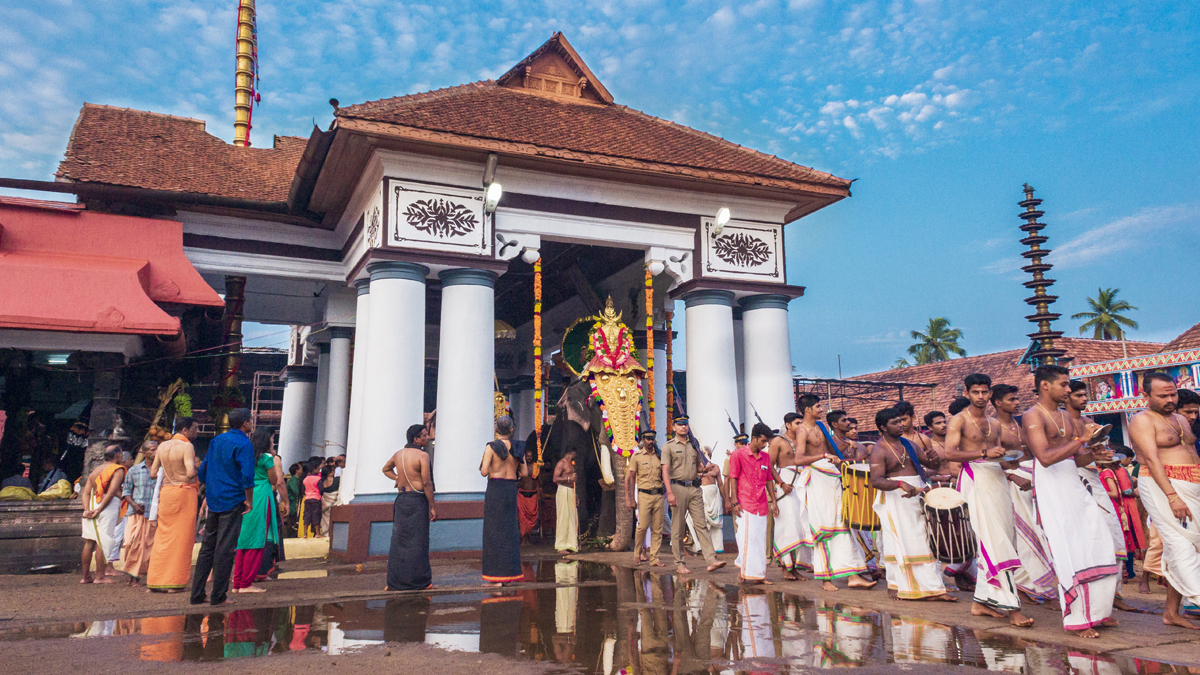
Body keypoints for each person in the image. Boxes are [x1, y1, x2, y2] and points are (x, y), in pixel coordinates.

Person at [1022, 365, 1118, 638]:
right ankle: (1077, 618)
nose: (1068, 389)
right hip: (1051, 484)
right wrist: (1081, 440)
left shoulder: (1065, 415)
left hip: (1072, 480)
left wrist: (1095, 454)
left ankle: (1097, 611)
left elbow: (1076, 459)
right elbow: (1045, 458)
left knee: (1096, 540)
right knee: (1069, 547)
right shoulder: (1032, 415)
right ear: (1045, 385)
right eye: (1063, 384)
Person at [940, 374, 1031, 627]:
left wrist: (1011, 465)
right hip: (975, 478)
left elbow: (1000, 457)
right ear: (967, 393)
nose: (981, 397)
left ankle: (980, 602)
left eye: (984, 392)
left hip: (997, 479)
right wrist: (984, 452)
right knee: (996, 542)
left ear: (990, 393)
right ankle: (1013, 609)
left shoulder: (994, 424)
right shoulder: (959, 420)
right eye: (976, 392)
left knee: (1002, 538)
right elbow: (950, 453)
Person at [1129, 374, 1200, 629]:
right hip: (1162, 486)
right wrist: (1172, 496)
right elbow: (1151, 459)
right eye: (1163, 396)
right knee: (1180, 545)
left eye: (1173, 394)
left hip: (1191, 486)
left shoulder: (1180, 418)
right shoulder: (1142, 420)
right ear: (1146, 395)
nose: (1170, 400)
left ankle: (1171, 612)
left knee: (1189, 547)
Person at [868, 407, 955, 602]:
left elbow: (931, 466)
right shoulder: (879, 450)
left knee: (925, 540)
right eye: (895, 423)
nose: (900, 425)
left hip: (918, 494)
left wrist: (934, 459)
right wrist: (900, 484)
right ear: (883, 427)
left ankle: (931, 587)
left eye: (901, 421)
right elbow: (876, 480)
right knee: (902, 542)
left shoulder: (909, 444)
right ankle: (900, 585)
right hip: (896, 499)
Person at [1066, 380, 1135, 612]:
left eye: (1085, 395)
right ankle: (1091, 597)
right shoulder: (1062, 424)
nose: (1084, 399)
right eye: (1078, 395)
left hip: (1095, 480)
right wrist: (1091, 453)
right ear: (1066, 397)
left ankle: (1114, 594)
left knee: (1114, 535)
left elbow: (1101, 453)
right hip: (1074, 480)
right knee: (1088, 541)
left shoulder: (1091, 423)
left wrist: (1107, 458)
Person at [990, 384, 1058, 606]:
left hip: (1035, 477)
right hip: (1014, 481)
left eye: (1017, 399)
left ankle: (1037, 584)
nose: (1017, 402)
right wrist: (1012, 477)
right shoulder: (993, 427)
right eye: (1011, 399)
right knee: (1026, 534)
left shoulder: (1021, 423)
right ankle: (1032, 586)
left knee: (1043, 531)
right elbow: (989, 462)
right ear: (998, 402)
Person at [800, 395, 874, 591]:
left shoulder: (821, 427)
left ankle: (853, 576)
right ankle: (825, 579)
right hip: (818, 478)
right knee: (824, 527)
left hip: (832, 475)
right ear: (808, 410)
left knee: (843, 525)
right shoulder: (802, 430)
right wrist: (824, 456)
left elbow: (834, 450)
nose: (821, 409)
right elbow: (799, 458)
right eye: (818, 406)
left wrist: (845, 448)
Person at [190, 408, 256, 606]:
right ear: (245, 423)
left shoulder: (217, 440)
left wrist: (208, 487)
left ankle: (197, 594)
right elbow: (247, 475)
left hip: (214, 498)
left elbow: (204, 469)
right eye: (251, 420)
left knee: (207, 547)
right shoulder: (244, 443)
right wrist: (249, 500)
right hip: (233, 498)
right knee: (225, 549)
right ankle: (218, 595)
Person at [664, 417, 726, 575]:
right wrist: (669, 492)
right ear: (674, 427)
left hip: (694, 488)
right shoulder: (668, 446)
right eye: (680, 425)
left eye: (685, 424)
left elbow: (698, 467)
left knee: (701, 525)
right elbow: (665, 471)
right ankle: (679, 563)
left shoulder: (694, 445)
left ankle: (711, 560)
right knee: (678, 528)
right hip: (677, 487)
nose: (683, 427)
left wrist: (705, 469)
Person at [147, 418, 199, 592]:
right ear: (185, 430)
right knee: (182, 539)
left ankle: (155, 582)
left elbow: (153, 473)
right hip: (183, 493)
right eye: (195, 428)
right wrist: (199, 469)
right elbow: (190, 473)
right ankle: (174, 583)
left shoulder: (162, 446)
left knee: (163, 537)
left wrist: (171, 477)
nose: (197, 431)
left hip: (167, 493)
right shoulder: (187, 446)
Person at [382, 423, 435, 590]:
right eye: (424, 435)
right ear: (416, 439)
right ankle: (419, 581)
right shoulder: (422, 455)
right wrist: (432, 506)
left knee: (399, 541)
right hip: (417, 500)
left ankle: (395, 582)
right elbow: (426, 482)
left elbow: (385, 469)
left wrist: (397, 478)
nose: (428, 437)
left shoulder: (399, 454)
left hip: (402, 500)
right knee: (418, 541)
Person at [232, 426, 285, 593]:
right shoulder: (267, 458)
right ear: (266, 441)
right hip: (262, 498)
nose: (273, 443)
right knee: (257, 540)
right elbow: (274, 480)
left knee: (244, 540)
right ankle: (246, 584)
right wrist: (273, 457)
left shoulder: (247, 455)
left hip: (247, 496)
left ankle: (237, 583)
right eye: (272, 440)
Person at [729, 423, 779, 585]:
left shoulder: (766, 457)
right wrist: (734, 502)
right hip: (745, 502)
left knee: (759, 539)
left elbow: (769, 480)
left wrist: (774, 501)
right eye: (763, 441)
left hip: (762, 503)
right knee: (746, 538)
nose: (765, 445)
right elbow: (733, 477)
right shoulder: (738, 454)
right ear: (754, 438)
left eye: (767, 442)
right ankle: (746, 573)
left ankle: (757, 574)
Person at [829, 410, 878, 577]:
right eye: (846, 422)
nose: (851, 426)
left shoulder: (858, 445)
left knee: (864, 526)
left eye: (853, 425)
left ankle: (869, 565)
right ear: (835, 424)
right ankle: (855, 568)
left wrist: (857, 451)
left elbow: (866, 462)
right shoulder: (829, 444)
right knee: (847, 529)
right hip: (839, 489)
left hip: (861, 491)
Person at [480, 415, 526, 585]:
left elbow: (484, 472)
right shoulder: (518, 447)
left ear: (496, 429)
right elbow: (525, 473)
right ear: (511, 430)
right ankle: (510, 574)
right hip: (510, 489)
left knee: (494, 532)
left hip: (496, 489)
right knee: (510, 531)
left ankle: (496, 576)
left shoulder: (491, 447)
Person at [770, 412, 812, 581]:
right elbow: (769, 466)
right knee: (787, 525)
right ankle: (784, 567)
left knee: (801, 524)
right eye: (797, 423)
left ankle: (795, 568)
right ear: (787, 425)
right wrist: (781, 484)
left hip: (802, 485)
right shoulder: (778, 441)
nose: (800, 426)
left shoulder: (804, 441)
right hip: (785, 486)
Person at [79, 444, 127, 584]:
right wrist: (99, 510)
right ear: (117, 455)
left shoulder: (95, 471)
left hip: (92, 504)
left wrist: (87, 509)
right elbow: (111, 492)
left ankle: (86, 576)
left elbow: (86, 493)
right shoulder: (117, 469)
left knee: (89, 541)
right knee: (103, 540)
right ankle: (100, 576)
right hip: (106, 506)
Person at [1099, 452, 1145, 581]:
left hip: (1116, 505)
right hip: (1121, 505)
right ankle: (1126, 571)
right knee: (1124, 537)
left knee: (1121, 537)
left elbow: (1121, 492)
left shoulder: (1107, 472)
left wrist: (1096, 491)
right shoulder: (1113, 471)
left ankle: (1125, 572)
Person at [119, 440, 159, 586]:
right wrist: (135, 505)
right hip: (135, 513)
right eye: (153, 450)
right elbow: (126, 492)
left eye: (157, 449)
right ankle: (130, 572)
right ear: (145, 453)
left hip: (153, 514)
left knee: (146, 547)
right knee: (129, 542)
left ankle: (135, 576)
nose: (156, 452)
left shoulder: (161, 470)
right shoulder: (134, 470)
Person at [626, 431, 666, 567]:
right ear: (643, 440)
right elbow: (631, 478)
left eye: (652, 439)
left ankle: (654, 558)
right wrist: (632, 498)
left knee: (657, 528)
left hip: (658, 495)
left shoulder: (660, 455)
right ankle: (637, 553)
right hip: (644, 495)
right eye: (648, 439)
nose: (651, 441)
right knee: (642, 526)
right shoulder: (636, 456)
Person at [686, 444, 727, 556]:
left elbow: (720, 484)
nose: (707, 456)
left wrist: (726, 499)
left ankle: (717, 547)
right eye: (705, 454)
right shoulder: (695, 467)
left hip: (714, 497)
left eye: (708, 454)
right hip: (701, 495)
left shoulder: (716, 467)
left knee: (716, 524)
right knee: (702, 522)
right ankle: (702, 547)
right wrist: (703, 472)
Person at [553, 449, 578, 554]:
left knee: (572, 518)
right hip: (563, 491)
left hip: (571, 492)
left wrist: (576, 495)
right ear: (572, 452)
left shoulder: (571, 464)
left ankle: (571, 545)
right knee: (563, 518)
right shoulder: (561, 463)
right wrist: (568, 479)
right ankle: (561, 546)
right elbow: (555, 479)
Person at [300, 458, 323, 538]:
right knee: (316, 515)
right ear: (314, 469)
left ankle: (305, 533)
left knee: (307, 515)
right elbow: (321, 490)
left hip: (307, 499)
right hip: (316, 499)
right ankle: (317, 533)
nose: (319, 470)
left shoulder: (305, 479)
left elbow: (303, 490)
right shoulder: (318, 479)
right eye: (318, 469)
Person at [320, 458, 340, 536]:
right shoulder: (337, 480)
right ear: (330, 472)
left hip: (324, 503)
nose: (334, 472)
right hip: (334, 502)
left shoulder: (321, 481)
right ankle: (333, 533)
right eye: (333, 470)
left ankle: (326, 533)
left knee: (325, 518)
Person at [285, 462, 303, 537]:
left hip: (294, 506)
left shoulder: (296, 480)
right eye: (300, 468)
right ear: (297, 470)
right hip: (293, 506)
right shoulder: (293, 480)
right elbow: (296, 492)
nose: (302, 469)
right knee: (293, 526)